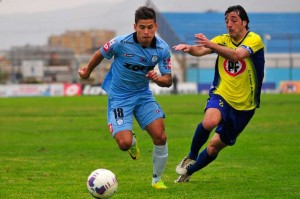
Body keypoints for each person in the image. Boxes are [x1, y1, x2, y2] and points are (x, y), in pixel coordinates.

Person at [78, 6, 172, 189]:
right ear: (135, 26)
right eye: (142, 27)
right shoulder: (120, 43)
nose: (146, 32)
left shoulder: (162, 48)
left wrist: (158, 78)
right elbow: (100, 54)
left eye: (150, 27)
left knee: (160, 136)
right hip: (120, 98)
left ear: (156, 26)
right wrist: (87, 72)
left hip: (143, 96)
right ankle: (132, 141)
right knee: (124, 143)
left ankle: (157, 180)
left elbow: (168, 80)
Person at [173, 5, 265, 183]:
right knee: (209, 121)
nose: (229, 24)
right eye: (226, 21)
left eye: (233, 20)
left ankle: (189, 171)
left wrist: (212, 45)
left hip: (245, 106)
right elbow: (201, 50)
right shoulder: (221, 40)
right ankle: (191, 156)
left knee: (214, 147)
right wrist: (189, 49)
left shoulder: (254, 39)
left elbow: (237, 55)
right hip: (221, 94)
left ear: (244, 22)